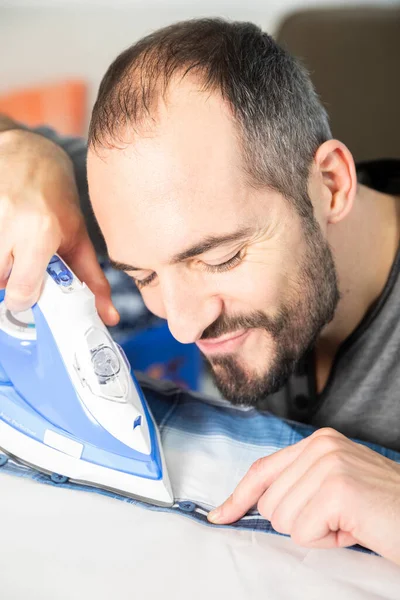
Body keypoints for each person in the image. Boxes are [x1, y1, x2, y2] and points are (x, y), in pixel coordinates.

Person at [1, 19, 400, 564]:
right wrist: (24, 151)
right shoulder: (155, 201)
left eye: (220, 259)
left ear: (330, 184)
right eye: (144, 278)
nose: (184, 326)